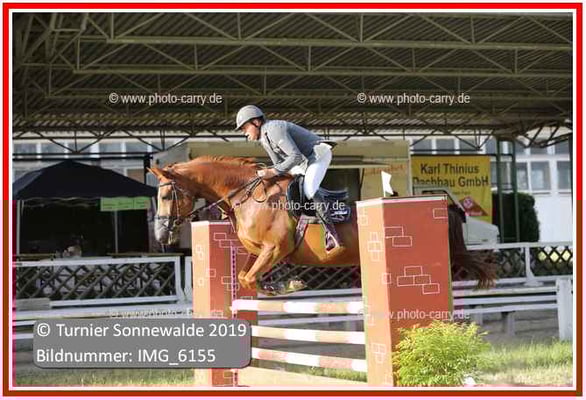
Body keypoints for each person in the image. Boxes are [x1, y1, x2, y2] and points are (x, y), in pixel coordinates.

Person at [235, 105, 344, 255]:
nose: (245, 133)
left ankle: (331, 234)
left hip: (317, 155)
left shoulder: (273, 129)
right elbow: (278, 165)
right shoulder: (264, 139)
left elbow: (295, 157)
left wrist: (272, 171)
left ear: (256, 122)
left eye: (244, 128)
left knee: (309, 189)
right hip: (303, 161)